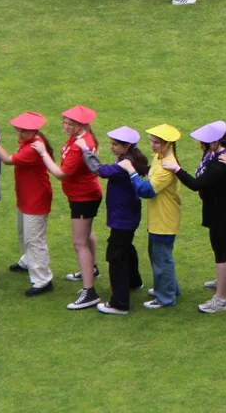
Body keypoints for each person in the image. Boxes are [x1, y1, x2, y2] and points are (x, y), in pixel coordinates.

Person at [168, 121, 226, 314]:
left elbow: (197, 184)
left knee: (222, 252)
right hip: (225, 210)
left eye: (203, 141)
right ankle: (225, 283)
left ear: (214, 142)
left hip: (224, 213)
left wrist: (176, 169)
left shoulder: (219, 164)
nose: (200, 144)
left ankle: (221, 300)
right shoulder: (218, 155)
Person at [32, 105, 103, 310]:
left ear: (81, 125)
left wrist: (43, 154)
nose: (65, 125)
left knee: (79, 242)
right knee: (87, 234)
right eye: (64, 122)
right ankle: (92, 269)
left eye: (69, 123)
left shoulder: (78, 146)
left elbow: (61, 173)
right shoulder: (83, 138)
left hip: (83, 198)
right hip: (84, 195)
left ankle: (89, 292)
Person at [0, 111, 54, 296]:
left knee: (34, 239)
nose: (19, 134)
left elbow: (7, 160)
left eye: (23, 131)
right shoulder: (30, 142)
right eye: (18, 130)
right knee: (23, 232)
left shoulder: (33, 148)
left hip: (36, 199)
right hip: (27, 196)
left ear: (34, 131)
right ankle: (28, 261)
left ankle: (43, 280)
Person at [82, 126, 148, 315]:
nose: (111, 147)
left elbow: (100, 170)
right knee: (125, 247)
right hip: (127, 215)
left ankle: (119, 303)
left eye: (115, 144)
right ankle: (134, 281)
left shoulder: (124, 165)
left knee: (115, 256)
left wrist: (85, 150)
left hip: (122, 217)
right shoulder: (131, 158)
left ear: (127, 146)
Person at [126, 124, 183, 309]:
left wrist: (131, 171)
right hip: (159, 218)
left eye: (156, 142)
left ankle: (165, 298)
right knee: (157, 255)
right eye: (151, 141)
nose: (152, 145)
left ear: (167, 144)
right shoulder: (160, 158)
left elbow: (146, 190)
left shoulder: (166, 167)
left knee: (161, 259)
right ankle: (170, 288)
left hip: (164, 219)